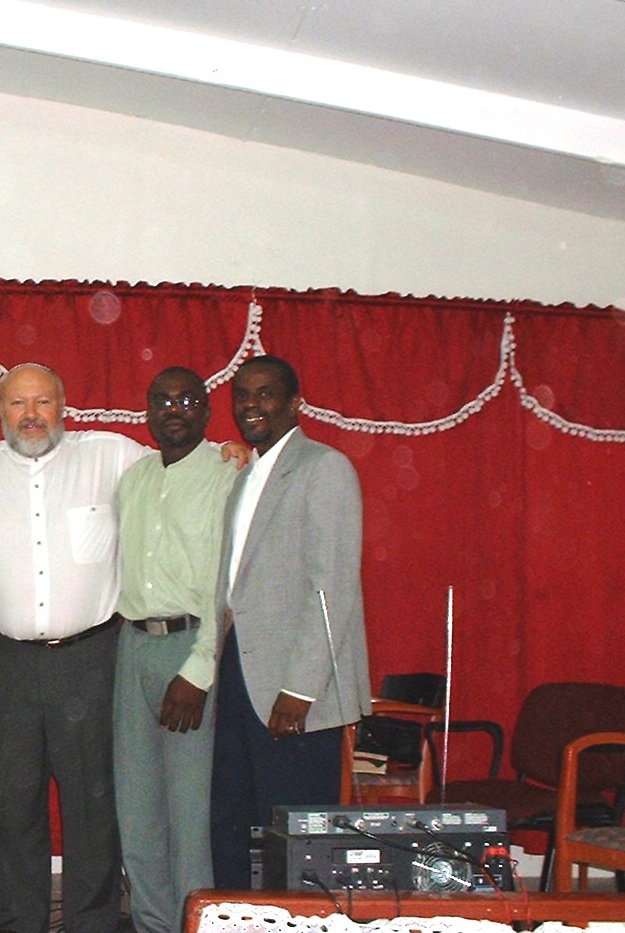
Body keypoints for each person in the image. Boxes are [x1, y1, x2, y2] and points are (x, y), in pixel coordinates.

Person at [0, 362, 147, 933]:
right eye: (18, 404)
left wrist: (228, 454)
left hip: (91, 659)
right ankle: (18, 921)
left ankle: (92, 922)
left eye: (43, 401)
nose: (31, 415)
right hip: (9, 662)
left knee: (93, 805)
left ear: (64, 404)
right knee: (14, 804)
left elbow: (178, 470)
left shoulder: (110, 455)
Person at [208, 354, 371, 889]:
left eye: (266, 393)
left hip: (292, 688)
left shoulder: (325, 467)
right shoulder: (245, 476)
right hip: (238, 673)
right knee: (229, 822)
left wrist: (300, 689)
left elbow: (333, 587)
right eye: (242, 396)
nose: (252, 405)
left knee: (297, 838)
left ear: (295, 402)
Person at [114, 367, 237, 933]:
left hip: (192, 649)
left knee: (189, 815)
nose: (173, 409)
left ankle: (196, 924)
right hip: (132, 648)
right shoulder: (134, 477)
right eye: (160, 399)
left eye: (187, 399)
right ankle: (152, 924)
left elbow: (226, 586)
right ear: (147, 411)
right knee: (136, 810)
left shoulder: (228, 472)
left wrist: (200, 669)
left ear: (208, 411)